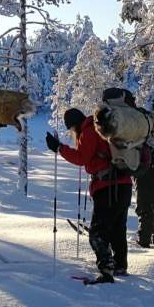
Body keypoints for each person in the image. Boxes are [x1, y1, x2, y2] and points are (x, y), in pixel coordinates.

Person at [47, 107, 132, 283]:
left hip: (108, 187)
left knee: (97, 232)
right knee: (117, 228)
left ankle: (106, 270)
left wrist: (59, 148)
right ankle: (119, 266)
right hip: (123, 184)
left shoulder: (89, 131)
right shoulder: (99, 127)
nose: (72, 133)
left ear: (75, 125)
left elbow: (81, 158)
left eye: (71, 129)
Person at [100, 87, 154, 247]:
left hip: (146, 170)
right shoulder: (141, 116)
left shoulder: (131, 119)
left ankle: (144, 241)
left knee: (144, 206)